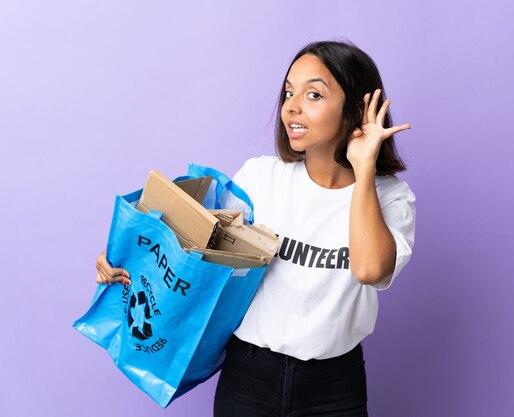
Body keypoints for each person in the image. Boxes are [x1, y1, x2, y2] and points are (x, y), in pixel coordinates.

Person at [95, 40, 416, 416]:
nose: (292, 107)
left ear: (357, 109)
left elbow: (370, 270)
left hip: (334, 387)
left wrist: (364, 168)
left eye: (313, 94)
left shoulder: (391, 197)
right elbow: (195, 247)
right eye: (288, 93)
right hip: (249, 377)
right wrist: (129, 255)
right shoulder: (261, 178)